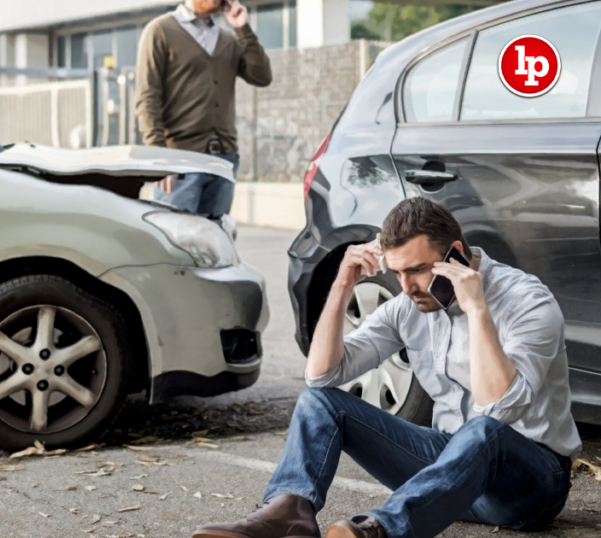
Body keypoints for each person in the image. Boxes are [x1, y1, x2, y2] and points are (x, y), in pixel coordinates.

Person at [193, 196, 580, 538]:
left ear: (456, 255)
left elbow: (499, 408)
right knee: (320, 402)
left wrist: (476, 309)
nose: (406, 286)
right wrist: (343, 283)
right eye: (397, 273)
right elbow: (322, 375)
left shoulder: (527, 301)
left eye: (417, 270)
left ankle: (383, 530)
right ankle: (289, 512)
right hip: (448, 475)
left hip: (527, 485)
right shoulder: (407, 307)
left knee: (484, 430)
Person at [135, 0, 272, 216]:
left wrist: (242, 28)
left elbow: (262, 76)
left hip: (224, 158)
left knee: (213, 242)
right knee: (176, 242)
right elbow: (147, 98)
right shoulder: (160, 30)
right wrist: (159, 157)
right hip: (180, 160)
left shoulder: (228, 38)